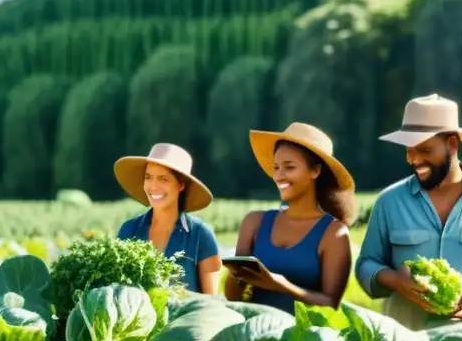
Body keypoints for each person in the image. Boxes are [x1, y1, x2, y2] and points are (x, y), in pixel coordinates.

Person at [355, 94, 462, 330]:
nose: (414, 160)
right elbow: (366, 264)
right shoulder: (389, 201)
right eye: (409, 151)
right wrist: (396, 281)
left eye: (425, 150)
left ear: (453, 145)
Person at [223, 123, 356, 313]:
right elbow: (233, 297)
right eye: (276, 167)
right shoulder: (254, 223)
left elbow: (331, 306)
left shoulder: (334, 234)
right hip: (253, 335)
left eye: (289, 167)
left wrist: (280, 285)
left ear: (315, 171)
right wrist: (236, 275)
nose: (279, 175)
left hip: (305, 339)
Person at [114, 143, 222, 294]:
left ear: (181, 185)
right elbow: (117, 291)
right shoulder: (128, 230)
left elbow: (210, 304)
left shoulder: (200, 235)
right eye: (148, 177)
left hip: (187, 317)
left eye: (163, 179)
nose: (153, 186)